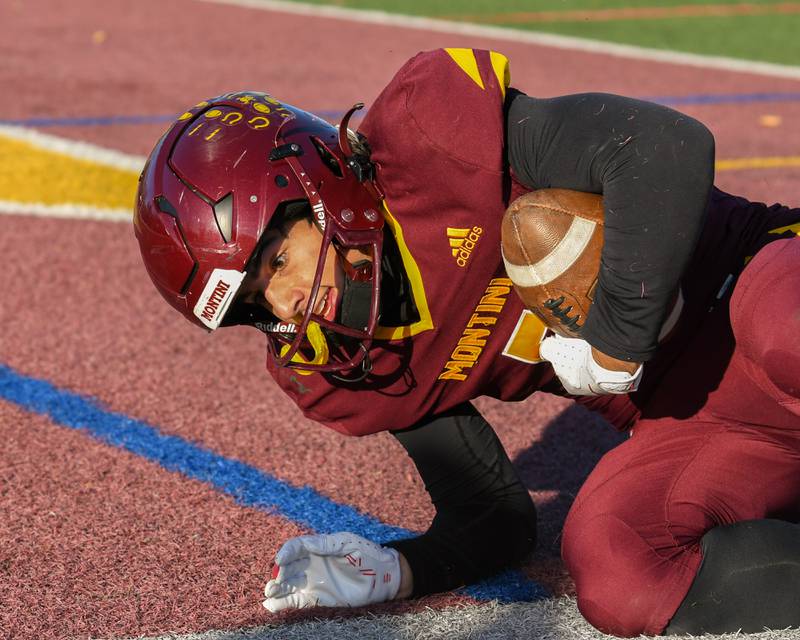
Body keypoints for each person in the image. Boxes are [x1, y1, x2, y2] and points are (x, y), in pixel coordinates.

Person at [133, 48, 800, 636]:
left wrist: (617, 333)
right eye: (254, 304)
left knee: (786, 335)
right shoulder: (344, 371)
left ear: (318, 181)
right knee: (615, 563)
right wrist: (401, 569)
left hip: (748, 279)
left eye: (275, 261)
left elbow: (660, 147)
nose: (285, 305)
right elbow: (494, 519)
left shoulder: (430, 142)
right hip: (690, 419)